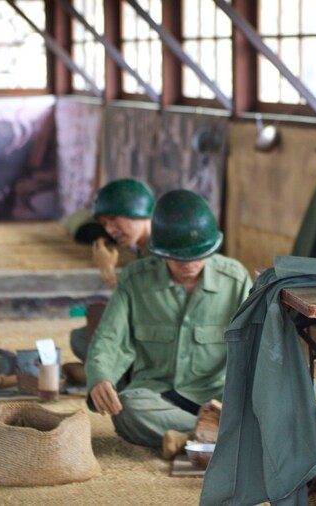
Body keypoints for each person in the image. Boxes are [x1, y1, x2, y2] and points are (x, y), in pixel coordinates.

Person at [84, 189, 252, 458]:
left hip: (218, 398)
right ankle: (227, 437)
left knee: (287, 395)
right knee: (126, 407)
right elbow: (109, 338)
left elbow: (257, 345)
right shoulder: (134, 280)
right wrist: (100, 376)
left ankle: (194, 437)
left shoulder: (235, 280)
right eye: (178, 257)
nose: (189, 264)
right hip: (156, 397)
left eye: (198, 255)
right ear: (160, 251)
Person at [68, 178, 155, 363]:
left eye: (113, 221)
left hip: (164, 341)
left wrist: (107, 270)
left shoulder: (159, 250)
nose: (110, 230)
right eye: (105, 224)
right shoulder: (145, 248)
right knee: (81, 337)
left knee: (86, 340)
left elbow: (146, 305)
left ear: (137, 211)